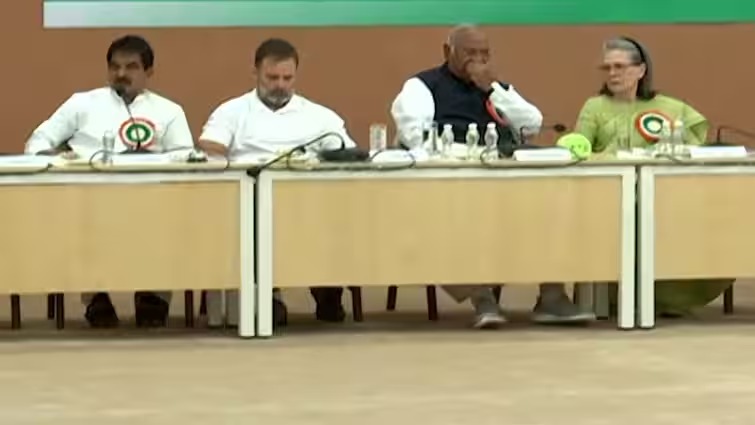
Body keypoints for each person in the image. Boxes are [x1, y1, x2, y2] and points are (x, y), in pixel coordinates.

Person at [390, 25, 596, 329]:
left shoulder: (494, 87)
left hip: (504, 177)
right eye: (469, 53)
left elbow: (532, 124)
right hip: (452, 181)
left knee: (548, 209)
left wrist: (493, 89)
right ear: (448, 52)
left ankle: (552, 297)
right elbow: (415, 136)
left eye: (484, 54)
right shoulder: (422, 85)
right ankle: (482, 299)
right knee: (453, 219)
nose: (478, 60)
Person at [25, 35, 194, 328]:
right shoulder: (82, 104)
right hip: (89, 199)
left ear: (149, 72)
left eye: (131, 67)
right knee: (79, 221)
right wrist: (59, 156)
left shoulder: (169, 111)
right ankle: (95, 298)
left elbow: (186, 157)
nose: (121, 74)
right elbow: (37, 143)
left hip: (151, 200)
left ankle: (154, 295)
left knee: (168, 220)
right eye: (115, 67)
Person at [197, 38, 356, 328]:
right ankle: (268, 297)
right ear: (255, 73)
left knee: (333, 217)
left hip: (309, 205)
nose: (280, 85)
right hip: (250, 203)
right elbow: (210, 146)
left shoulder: (318, 115)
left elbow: (346, 152)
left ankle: (326, 289)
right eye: (272, 78)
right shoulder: (233, 111)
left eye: (287, 78)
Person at [575, 36, 734, 316]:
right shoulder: (594, 107)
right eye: (607, 68)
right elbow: (580, 150)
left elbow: (693, 145)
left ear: (640, 70)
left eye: (620, 67)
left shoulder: (670, 106)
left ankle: (674, 298)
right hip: (614, 198)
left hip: (667, 196)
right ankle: (624, 298)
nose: (612, 74)